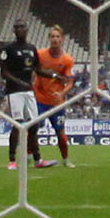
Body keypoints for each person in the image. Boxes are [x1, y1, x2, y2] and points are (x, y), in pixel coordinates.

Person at [1, 19, 54, 170]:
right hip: (14, 91)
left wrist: (55, 76)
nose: (20, 29)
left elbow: (38, 70)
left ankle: (38, 160)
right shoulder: (8, 49)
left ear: (27, 29)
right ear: (14, 31)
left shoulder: (31, 48)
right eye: (17, 27)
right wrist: (19, 82)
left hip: (29, 91)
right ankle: (12, 160)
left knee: (34, 125)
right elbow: (3, 72)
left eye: (22, 27)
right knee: (17, 124)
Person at [33, 24, 77, 168]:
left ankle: (65, 159)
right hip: (39, 99)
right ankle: (30, 157)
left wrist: (62, 93)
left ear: (62, 39)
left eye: (58, 36)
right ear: (49, 38)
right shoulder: (40, 55)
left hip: (56, 102)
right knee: (32, 130)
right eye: (52, 36)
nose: (55, 39)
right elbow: (34, 70)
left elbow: (70, 82)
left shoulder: (67, 60)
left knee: (61, 134)